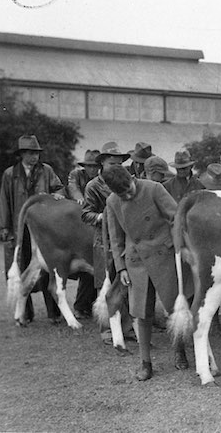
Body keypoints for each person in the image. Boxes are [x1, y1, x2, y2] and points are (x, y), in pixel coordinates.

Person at [103, 165, 191, 381]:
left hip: (165, 256)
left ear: (132, 177)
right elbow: (115, 239)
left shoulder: (154, 189)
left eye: (130, 189)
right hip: (136, 262)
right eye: (123, 194)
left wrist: (181, 247)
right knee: (141, 312)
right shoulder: (112, 202)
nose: (128, 195)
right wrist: (121, 267)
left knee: (174, 308)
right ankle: (145, 362)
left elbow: (175, 218)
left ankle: (179, 350)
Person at [0, 135, 64, 322]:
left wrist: (57, 195)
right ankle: (25, 313)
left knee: (46, 266)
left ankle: (54, 313)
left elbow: (58, 188)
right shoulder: (10, 174)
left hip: (43, 228)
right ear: (22, 154)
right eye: (31, 153)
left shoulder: (46, 171)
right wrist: (4, 227)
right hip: (20, 228)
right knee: (21, 266)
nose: (35, 157)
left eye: (36, 153)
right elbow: (3, 201)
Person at [82, 141, 134, 346]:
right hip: (103, 241)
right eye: (112, 163)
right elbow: (85, 214)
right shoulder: (93, 186)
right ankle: (106, 331)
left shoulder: (128, 181)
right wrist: (105, 217)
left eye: (119, 163)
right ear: (102, 163)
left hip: (125, 240)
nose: (116, 166)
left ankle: (127, 328)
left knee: (127, 283)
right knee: (104, 285)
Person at [66, 149, 101, 318]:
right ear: (84, 166)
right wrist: (81, 199)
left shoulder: (102, 179)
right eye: (89, 166)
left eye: (95, 166)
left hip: (94, 225)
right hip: (78, 225)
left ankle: (87, 306)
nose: (92, 169)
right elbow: (72, 188)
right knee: (86, 268)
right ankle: (81, 306)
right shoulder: (76, 175)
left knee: (92, 268)